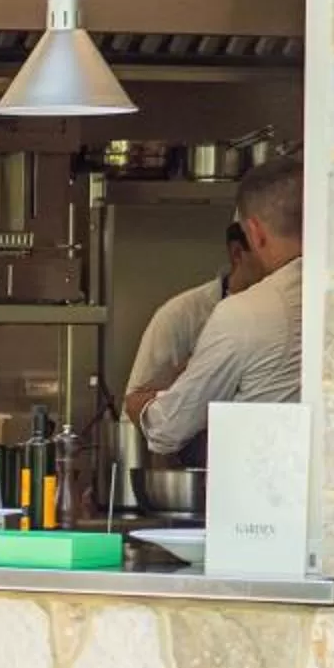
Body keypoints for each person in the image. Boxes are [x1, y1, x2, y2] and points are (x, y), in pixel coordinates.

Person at [130, 154, 304, 460]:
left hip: (262, 493)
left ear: (255, 233)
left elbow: (166, 429)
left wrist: (140, 404)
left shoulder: (244, 314)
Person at [125, 220, 262, 412]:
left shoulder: (296, 316)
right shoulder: (181, 315)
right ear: (237, 253)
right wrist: (188, 383)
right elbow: (135, 406)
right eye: (264, 249)